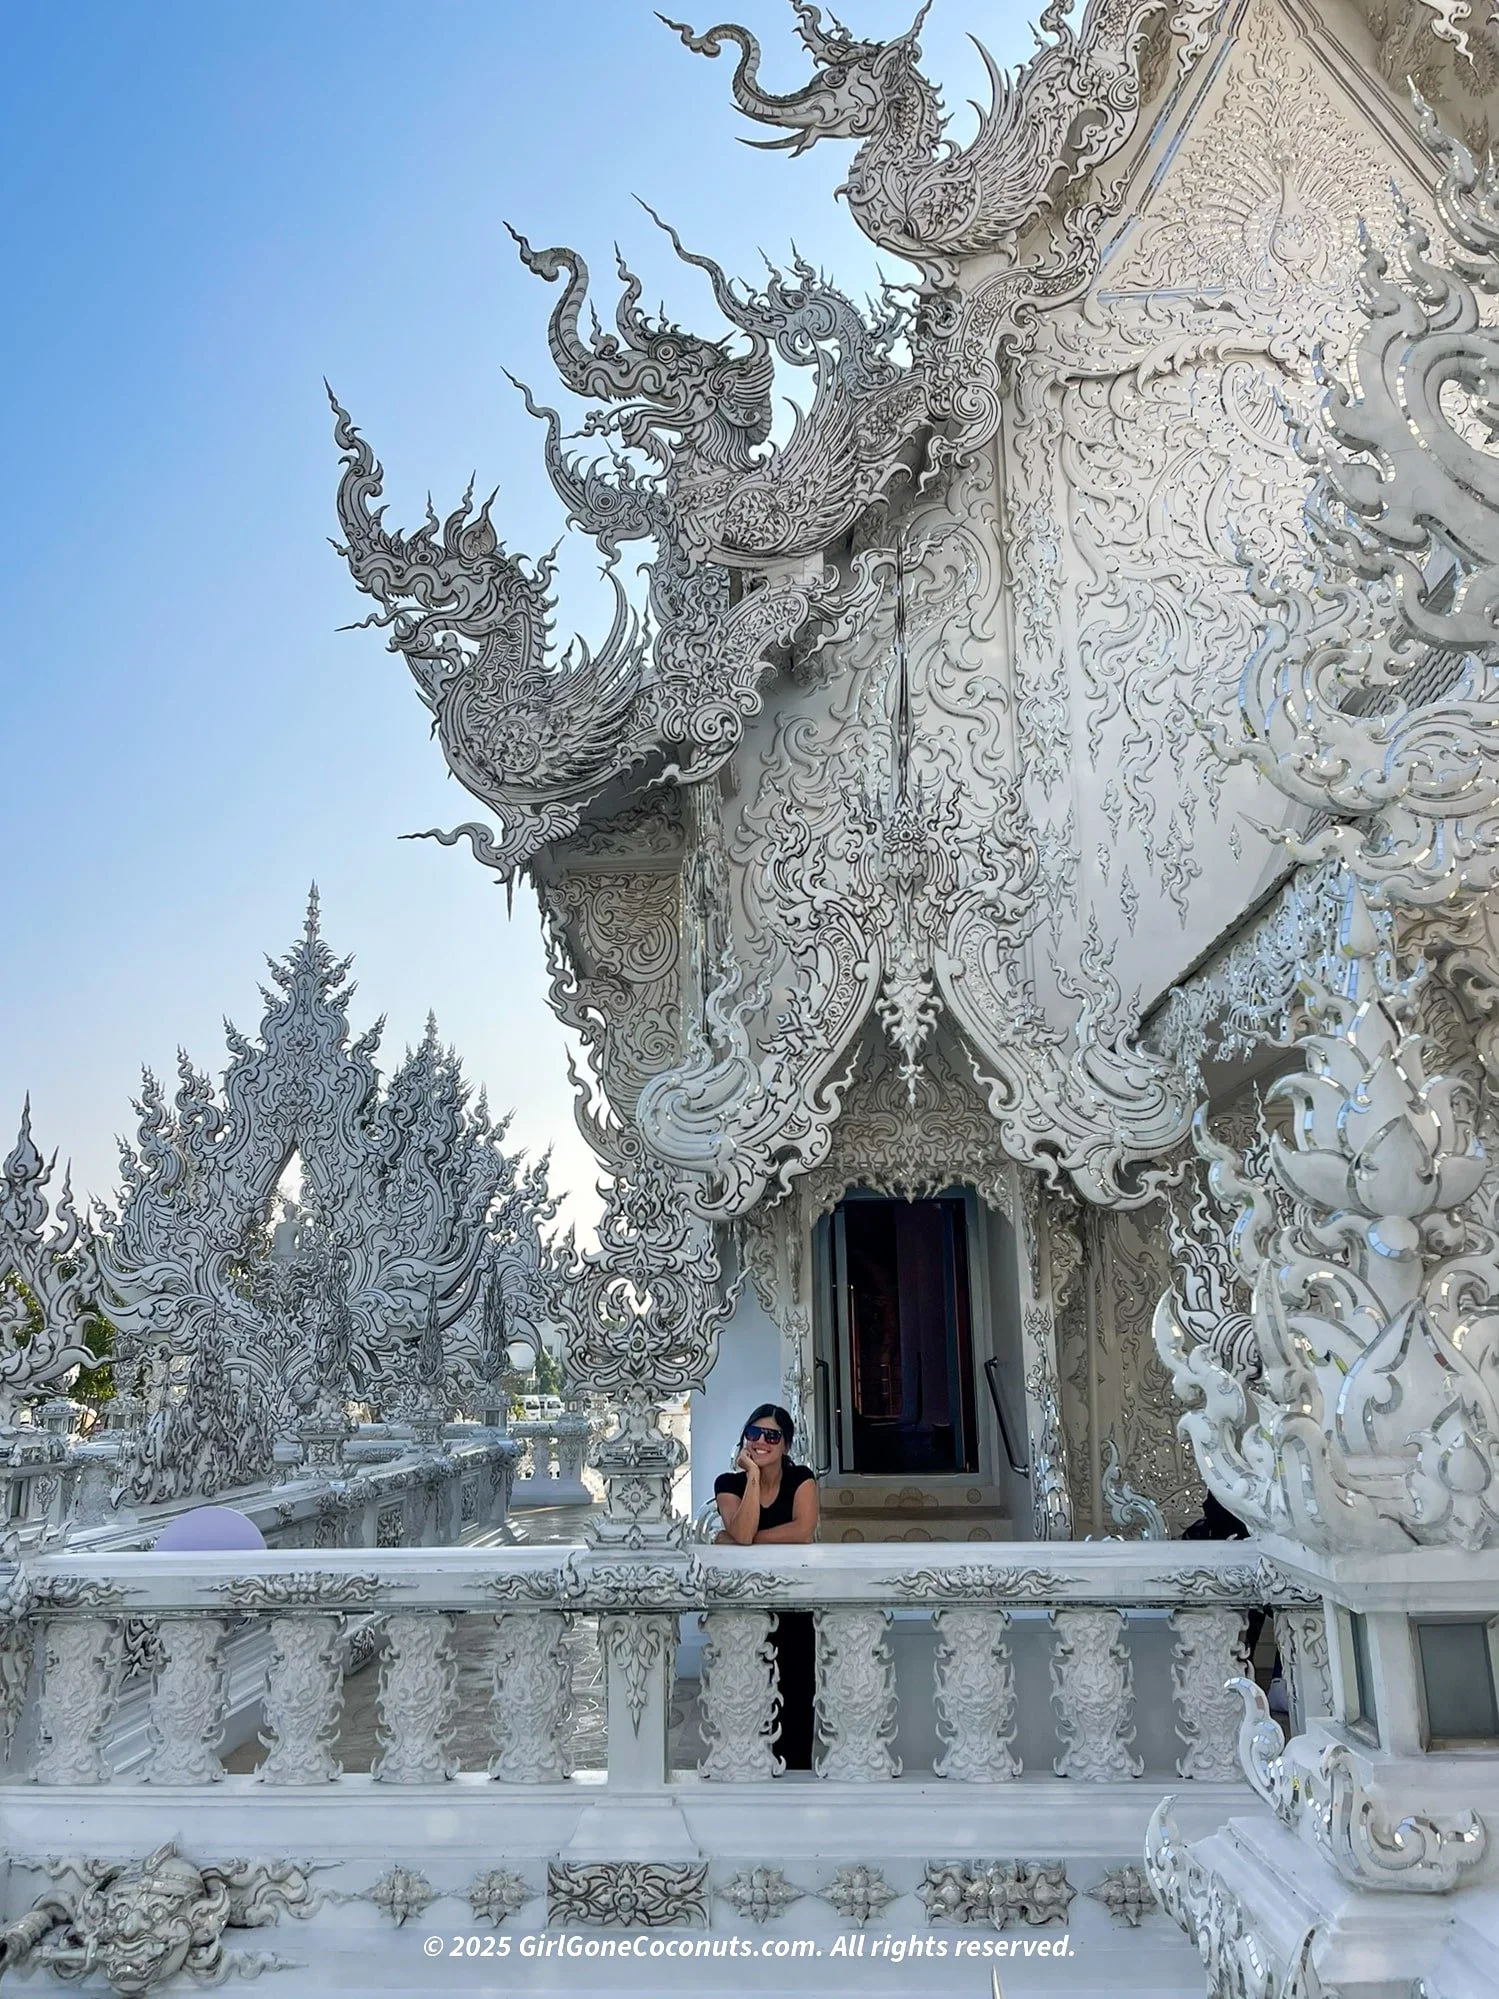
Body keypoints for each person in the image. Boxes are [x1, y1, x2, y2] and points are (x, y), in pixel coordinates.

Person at [713, 1402, 819, 1770]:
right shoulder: (729, 1484)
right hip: (745, 1611)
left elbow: (802, 1531)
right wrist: (753, 1478)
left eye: (771, 1435)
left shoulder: (801, 1479)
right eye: (753, 1433)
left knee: (797, 1694)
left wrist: (746, 1539)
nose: (761, 1441)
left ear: (785, 1445)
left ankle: (797, 1783)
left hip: (794, 1604)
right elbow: (742, 1531)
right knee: (748, 1697)